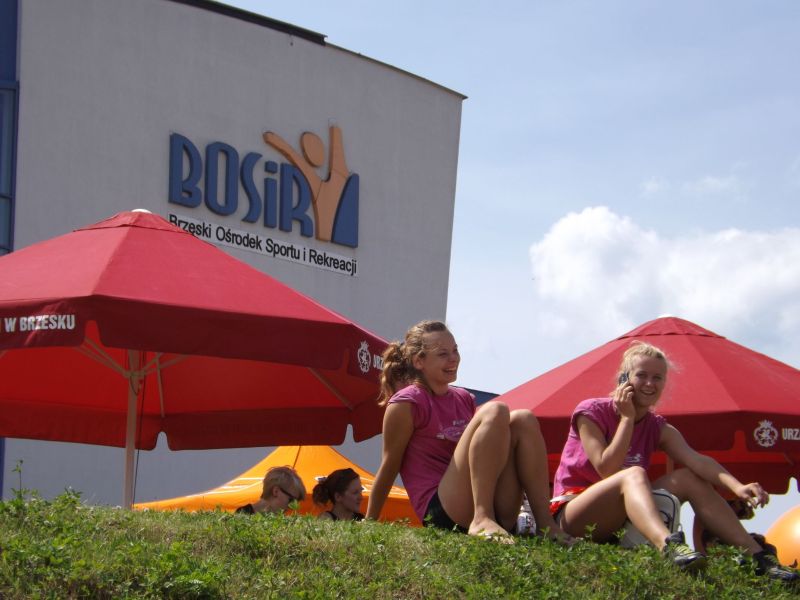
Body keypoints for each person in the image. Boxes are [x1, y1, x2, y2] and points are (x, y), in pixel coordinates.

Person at [550, 341, 798, 583]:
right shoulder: (591, 411)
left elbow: (697, 460)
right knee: (633, 474)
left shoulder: (657, 426)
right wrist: (626, 419)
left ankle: (757, 557)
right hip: (574, 513)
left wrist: (737, 487)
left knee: (688, 478)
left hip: (619, 515)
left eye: (657, 378)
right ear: (624, 379)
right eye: (642, 375)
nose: (650, 383)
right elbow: (607, 469)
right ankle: (668, 546)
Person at [365, 320, 569, 542]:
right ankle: (482, 517)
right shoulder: (406, 403)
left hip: (488, 502)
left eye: (455, 350)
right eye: (443, 354)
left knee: (524, 419)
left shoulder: (463, 398)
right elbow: (390, 465)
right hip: (442, 509)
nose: (453, 358)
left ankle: (545, 525)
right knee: (496, 409)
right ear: (419, 361)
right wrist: (370, 520)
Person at [236, 466, 306, 515]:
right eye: (291, 500)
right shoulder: (242, 517)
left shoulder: (283, 525)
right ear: (276, 491)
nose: (293, 507)